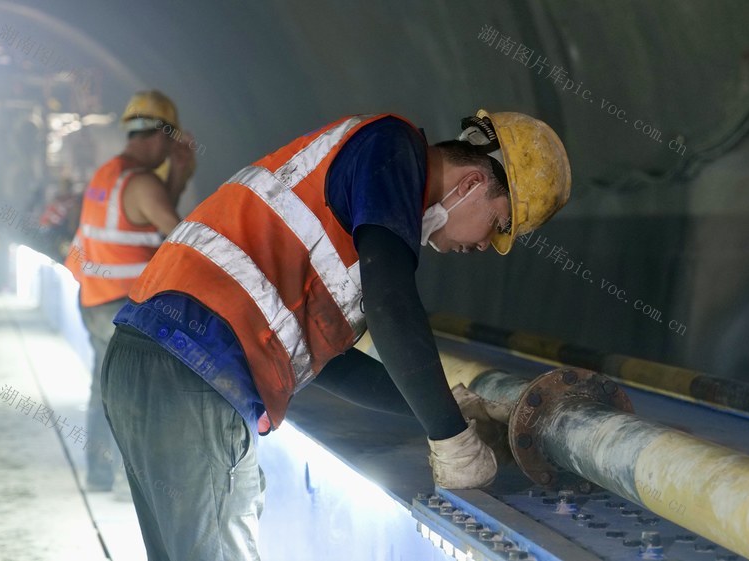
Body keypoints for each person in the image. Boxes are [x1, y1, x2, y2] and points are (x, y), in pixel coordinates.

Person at [100, 109, 572, 560]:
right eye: (498, 223)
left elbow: (330, 366)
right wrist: (449, 437)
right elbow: (392, 304)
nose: (485, 245)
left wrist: (447, 405)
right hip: (193, 372)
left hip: (156, 361)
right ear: (472, 184)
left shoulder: (352, 209)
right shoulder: (391, 148)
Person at [64, 90, 195, 496]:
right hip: (125, 307)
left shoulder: (110, 175)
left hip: (93, 298)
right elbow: (180, 242)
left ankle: (100, 474)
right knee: (139, 395)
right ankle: (130, 481)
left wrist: (175, 178)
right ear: (164, 137)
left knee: (105, 389)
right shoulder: (142, 183)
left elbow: (141, 221)